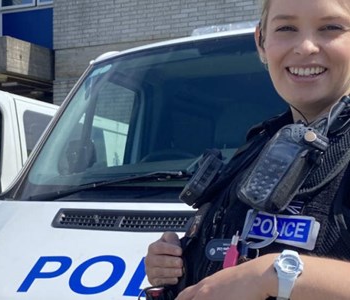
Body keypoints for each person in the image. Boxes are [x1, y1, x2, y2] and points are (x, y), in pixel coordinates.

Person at [145, 0, 350, 299]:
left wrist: (270, 276)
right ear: (261, 42)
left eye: (331, 27)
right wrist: (176, 261)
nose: (306, 47)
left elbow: (259, 275)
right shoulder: (259, 144)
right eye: (286, 28)